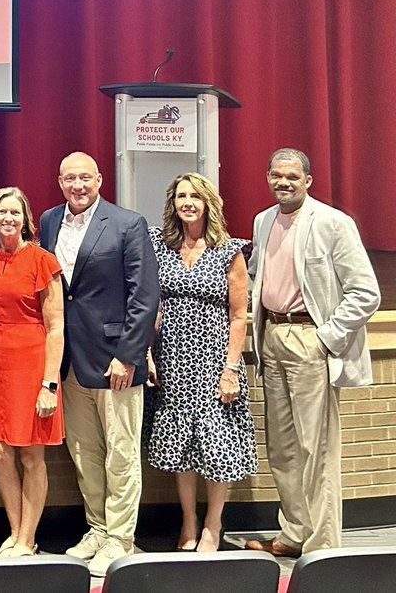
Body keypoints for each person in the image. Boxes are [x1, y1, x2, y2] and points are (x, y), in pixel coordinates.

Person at [245, 148, 380, 556]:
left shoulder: (333, 223)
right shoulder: (263, 220)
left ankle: (323, 547)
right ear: (267, 177)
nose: (282, 182)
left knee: (315, 448)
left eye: (291, 176)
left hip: (309, 338)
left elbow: (366, 292)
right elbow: (255, 278)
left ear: (308, 180)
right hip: (272, 336)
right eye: (275, 175)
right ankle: (294, 534)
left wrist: (327, 337)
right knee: (282, 446)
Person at [38, 152, 159, 577]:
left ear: (100, 179)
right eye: (69, 178)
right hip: (70, 360)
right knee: (85, 453)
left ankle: (121, 539)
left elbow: (144, 296)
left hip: (115, 362)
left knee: (121, 453)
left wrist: (129, 355)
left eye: (85, 178)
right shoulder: (49, 221)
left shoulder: (128, 224)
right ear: (59, 181)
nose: (78, 185)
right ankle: (97, 528)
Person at [145, 173, 256, 553]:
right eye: (180, 196)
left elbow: (239, 315)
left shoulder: (229, 250)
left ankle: (213, 524)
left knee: (216, 442)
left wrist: (230, 369)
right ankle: (189, 521)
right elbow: (153, 305)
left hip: (214, 359)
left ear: (209, 202)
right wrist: (147, 353)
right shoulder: (160, 245)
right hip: (173, 357)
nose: (187, 202)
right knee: (182, 445)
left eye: (194, 196)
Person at [0, 187, 64, 559]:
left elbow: (56, 325)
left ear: (25, 218)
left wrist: (49, 383)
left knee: (31, 455)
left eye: (14, 212)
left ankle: (29, 539)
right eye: (1, 212)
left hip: (32, 360)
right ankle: (15, 531)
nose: (7, 219)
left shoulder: (43, 261)